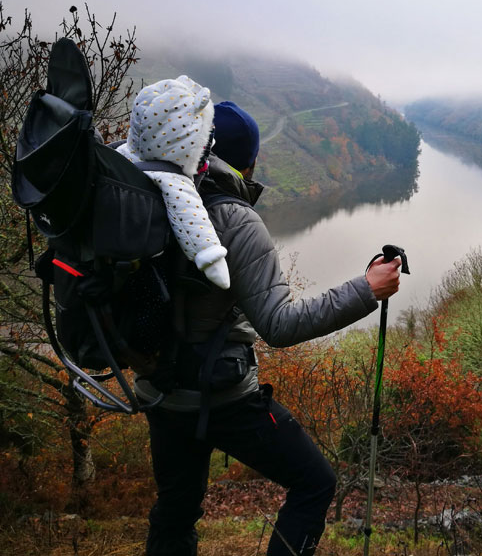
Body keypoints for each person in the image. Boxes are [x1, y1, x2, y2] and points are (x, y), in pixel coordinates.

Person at [133, 97, 402, 556]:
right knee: (315, 483)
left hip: (160, 391)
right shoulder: (235, 219)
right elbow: (279, 324)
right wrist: (367, 288)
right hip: (225, 398)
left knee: (175, 510)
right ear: (249, 161)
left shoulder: (151, 200)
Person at [117, 75, 230, 290]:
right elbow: (192, 222)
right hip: (142, 277)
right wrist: (213, 260)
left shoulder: (124, 153)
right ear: (182, 139)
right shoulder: (171, 179)